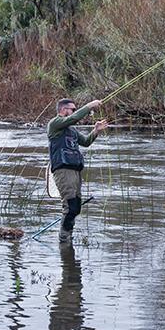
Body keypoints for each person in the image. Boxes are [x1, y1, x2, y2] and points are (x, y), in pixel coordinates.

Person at [47, 98, 108, 243]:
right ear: (63, 110)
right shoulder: (54, 124)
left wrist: (96, 131)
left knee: (76, 207)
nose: (74, 112)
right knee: (70, 207)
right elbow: (74, 118)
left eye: (75, 109)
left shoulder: (72, 131)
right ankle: (64, 239)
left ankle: (68, 238)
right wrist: (89, 106)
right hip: (62, 170)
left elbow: (86, 142)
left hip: (75, 170)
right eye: (72, 109)